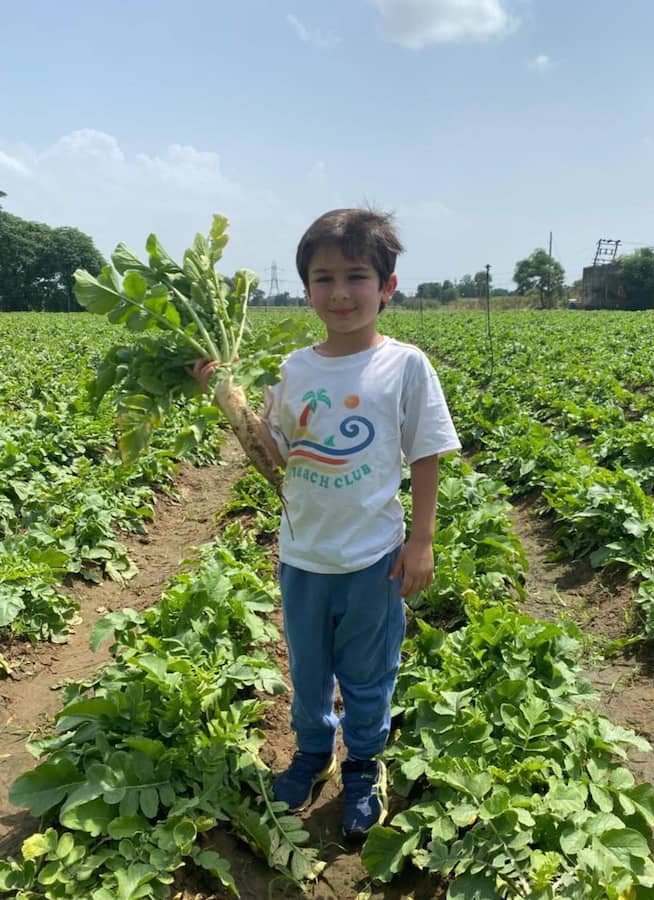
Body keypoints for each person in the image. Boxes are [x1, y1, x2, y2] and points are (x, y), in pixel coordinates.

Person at [193, 208, 460, 840]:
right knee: (308, 669)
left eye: (356, 276)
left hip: (374, 557)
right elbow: (276, 459)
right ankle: (313, 753)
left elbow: (426, 452)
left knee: (369, 672)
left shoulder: (405, 365)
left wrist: (421, 540)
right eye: (323, 278)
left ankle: (364, 762)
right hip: (302, 556)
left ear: (387, 286)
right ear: (306, 288)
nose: (340, 293)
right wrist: (227, 400)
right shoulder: (292, 369)